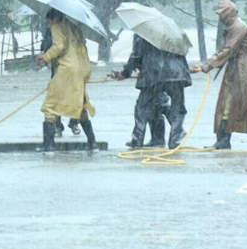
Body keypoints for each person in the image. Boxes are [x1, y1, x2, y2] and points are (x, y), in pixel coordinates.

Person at [191, 0, 247, 150]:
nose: (220, 17)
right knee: (226, 102)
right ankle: (223, 139)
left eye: (221, 14)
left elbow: (228, 49)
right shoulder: (232, 26)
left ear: (228, 13)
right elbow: (225, 50)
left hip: (246, 66)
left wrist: (207, 65)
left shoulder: (239, 27)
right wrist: (205, 64)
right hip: (234, 66)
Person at [112, 34, 191, 149]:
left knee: (142, 108)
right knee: (176, 108)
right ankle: (175, 138)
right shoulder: (174, 34)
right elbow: (183, 52)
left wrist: (125, 73)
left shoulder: (144, 33)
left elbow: (136, 56)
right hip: (177, 74)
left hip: (154, 74)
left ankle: (137, 139)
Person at [34, 9, 98, 152]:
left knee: (50, 106)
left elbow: (59, 46)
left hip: (68, 70)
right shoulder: (74, 27)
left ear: (54, 19)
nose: (48, 25)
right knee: (80, 105)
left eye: (49, 22)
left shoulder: (57, 27)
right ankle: (93, 144)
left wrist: (44, 58)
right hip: (82, 69)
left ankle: (49, 146)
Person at [41, 25, 81, 138]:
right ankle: (58, 126)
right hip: (59, 69)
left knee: (75, 97)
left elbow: (80, 46)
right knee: (57, 98)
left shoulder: (74, 29)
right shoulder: (51, 30)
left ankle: (73, 123)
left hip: (73, 69)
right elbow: (47, 46)